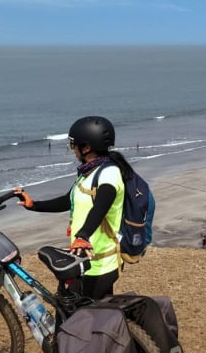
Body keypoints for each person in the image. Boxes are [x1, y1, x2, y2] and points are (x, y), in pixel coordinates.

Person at [14, 116, 131, 300]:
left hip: (100, 264)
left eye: (73, 146)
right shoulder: (89, 172)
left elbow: (100, 208)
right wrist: (34, 205)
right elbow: (68, 201)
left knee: (85, 320)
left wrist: (83, 236)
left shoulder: (109, 174)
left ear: (86, 148)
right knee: (85, 314)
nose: (73, 150)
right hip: (84, 259)